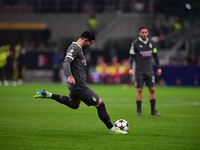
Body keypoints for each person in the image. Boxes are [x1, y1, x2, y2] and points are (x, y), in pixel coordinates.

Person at [34, 31, 127, 134]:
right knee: (100, 104)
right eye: (90, 44)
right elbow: (66, 62)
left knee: (73, 105)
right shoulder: (75, 48)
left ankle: (49, 95)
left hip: (75, 86)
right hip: (79, 86)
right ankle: (112, 129)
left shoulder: (78, 49)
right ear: (86, 41)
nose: (90, 46)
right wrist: (70, 76)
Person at [129, 27, 162, 116]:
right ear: (139, 33)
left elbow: (155, 55)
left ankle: (153, 110)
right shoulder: (135, 43)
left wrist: (159, 67)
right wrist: (131, 68)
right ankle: (139, 110)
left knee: (152, 89)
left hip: (149, 71)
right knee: (139, 89)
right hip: (139, 71)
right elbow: (131, 57)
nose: (144, 34)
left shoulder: (152, 43)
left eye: (146, 32)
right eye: (142, 32)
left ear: (148, 33)